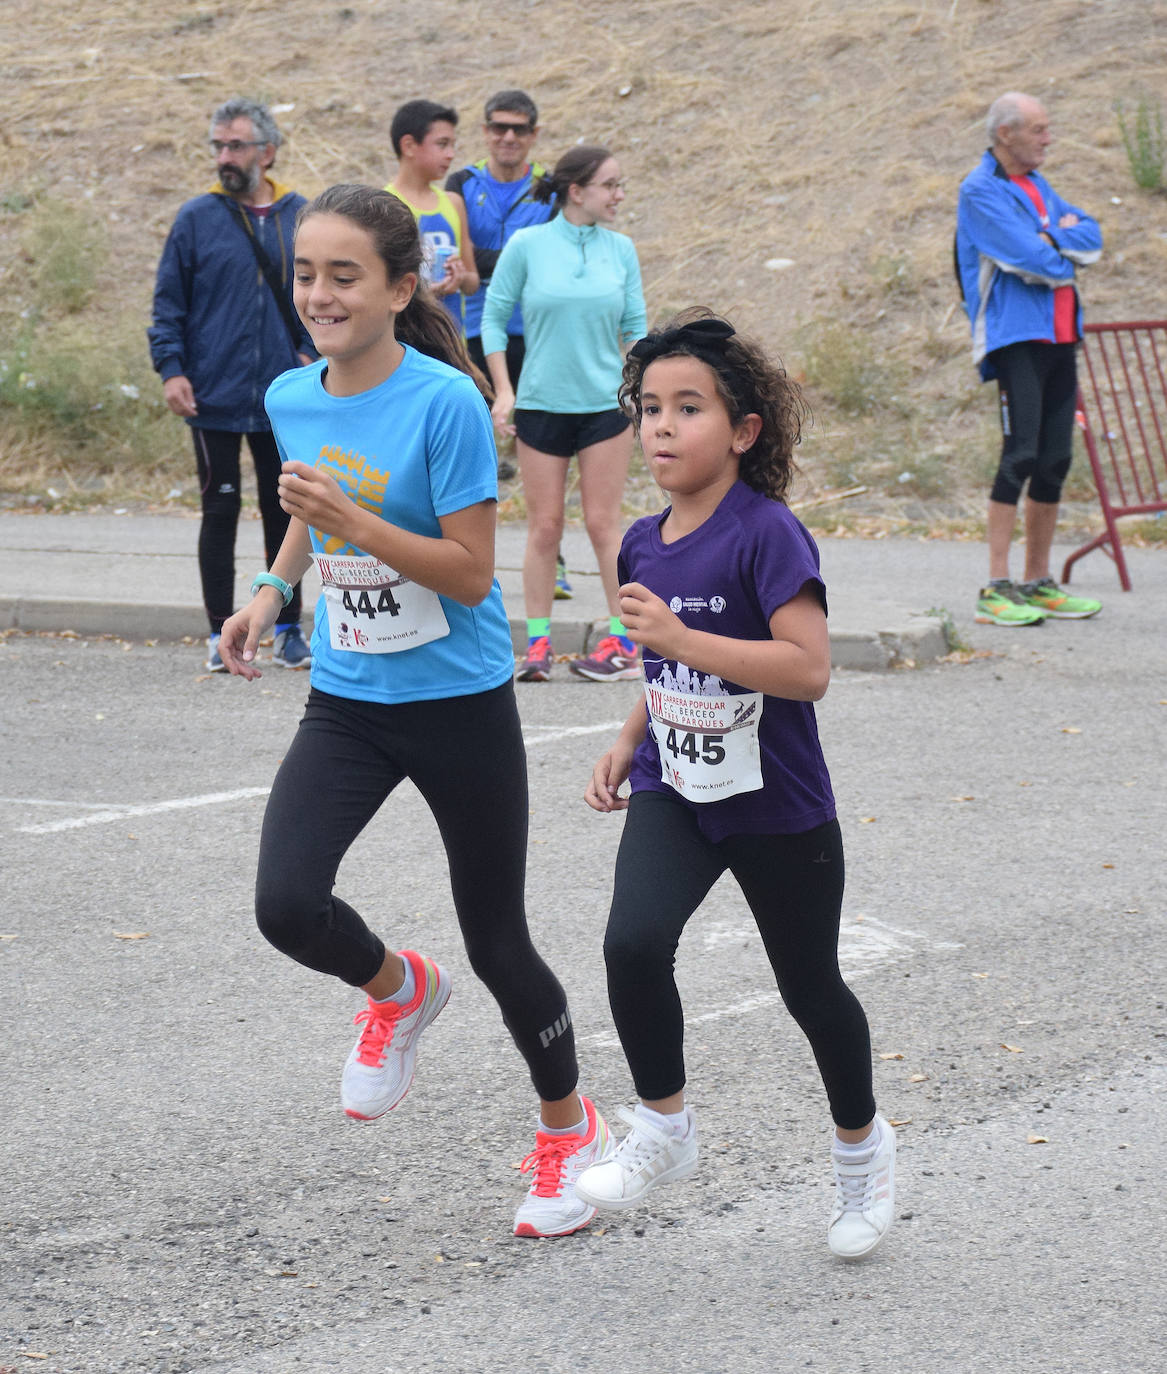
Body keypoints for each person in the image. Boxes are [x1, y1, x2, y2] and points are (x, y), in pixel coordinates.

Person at [217, 184, 609, 1239]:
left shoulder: (446, 403)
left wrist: (354, 520)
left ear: (400, 288)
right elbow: (308, 507)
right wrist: (271, 590)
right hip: (348, 698)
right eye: (306, 273)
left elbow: (474, 573)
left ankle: (569, 1132)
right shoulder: (294, 394)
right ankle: (397, 990)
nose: (319, 294)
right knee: (285, 904)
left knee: (499, 942)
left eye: (344, 276)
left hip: (458, 702)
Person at [572, 311, 895, 1261]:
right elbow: (661, 669)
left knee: (809, 988)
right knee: (632, 944)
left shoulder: (768, 536)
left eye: (688, 408)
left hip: (778, 804)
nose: (662, 428)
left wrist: (678, 639)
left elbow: (806, 669)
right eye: (649, 410)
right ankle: (663, 1129)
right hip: (678, 789)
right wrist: (629, 736)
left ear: (742, 431)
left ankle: (861, 1155)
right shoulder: (640, 542)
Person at [149, 96, 314, 672]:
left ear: (267, 152)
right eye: (217, 145)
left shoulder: (302, 217)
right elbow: (168, 303)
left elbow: (323, 300)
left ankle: (289, 630)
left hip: (286, 399)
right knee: (218, 513)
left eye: (236, 145)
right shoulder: (196, 218)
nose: (224, 156)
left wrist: (313, 356)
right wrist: (171, 369)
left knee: (287, 513)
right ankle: (220, 630)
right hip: (212, 394)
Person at [482, 144, 646, 682]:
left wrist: (645, 394)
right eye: (610, 185)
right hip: (540, 405)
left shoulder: (621, 250)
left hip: (605, 405)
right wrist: (504, 390)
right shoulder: (527, 245)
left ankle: (624, 642)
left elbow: (637, 331)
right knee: (544, 528)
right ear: (577, 191)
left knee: (603, 524)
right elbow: (493, 319)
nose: (619, 195)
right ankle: (537, 648)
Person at [956, 91, 1103, 627]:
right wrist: (1054, 239)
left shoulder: (1037, 184)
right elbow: (1039, 261)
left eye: (1048, 128)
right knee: (1019, 456)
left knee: (1055, 460)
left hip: (1062, 336)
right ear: (1006, 135)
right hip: (1015, 338)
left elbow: (1092, 237)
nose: (1048, 138)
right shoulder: (980, 190)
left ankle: (1037, 582)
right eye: (1039, 129)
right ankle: (996, 588)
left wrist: (1056, 239)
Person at [385, 100, 479, 334]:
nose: (451, 154)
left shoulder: (453, 203)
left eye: (453, 145)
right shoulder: (384, 205)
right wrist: (425, 292)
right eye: (442, 144)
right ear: (408, 145)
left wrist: (459, 277)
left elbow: (472, 282)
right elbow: (379, 288)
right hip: (406, 340)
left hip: (453, 341)